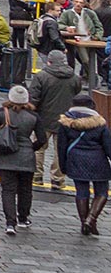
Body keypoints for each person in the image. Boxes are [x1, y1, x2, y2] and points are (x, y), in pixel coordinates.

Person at [0, 86, 42, 235]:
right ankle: (23, 217)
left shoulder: (1, 113)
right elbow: (42, 139)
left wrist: (0, 141)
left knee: (8, 190)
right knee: (25, 189)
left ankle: (10, 223)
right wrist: (31, 148)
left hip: (5, 157)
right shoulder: (33, 116)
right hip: (26, 157)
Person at [26, 49, 82, 188]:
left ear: (49, 62)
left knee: (39, 148)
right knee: (60, 150)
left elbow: (33, 98)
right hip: (65, 119)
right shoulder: (74, 77)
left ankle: (36, 175)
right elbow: (77, 93)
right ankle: (57, 179)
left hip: (43, 119)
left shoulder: (42, 76)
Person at [57, 96, 110, 235]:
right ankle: (91, 219)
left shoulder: (66, 122)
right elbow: (108, 146)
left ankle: (83, 223)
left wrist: (63, 166)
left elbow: (61, 146)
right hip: (98, 161)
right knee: (102, 191)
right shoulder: (100, 123)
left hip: (76, 160)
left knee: (81, 191)